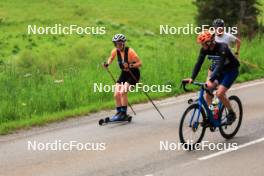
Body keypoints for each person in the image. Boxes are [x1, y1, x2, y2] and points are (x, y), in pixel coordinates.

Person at [184, 30, 240, 125]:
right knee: (207, 94)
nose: (202, 46)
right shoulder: (205, 49)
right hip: (219, 71)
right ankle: (214, 115)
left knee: (219, 93)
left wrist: (210, 79)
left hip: (230, 71)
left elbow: (220, 65)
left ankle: (231, 113)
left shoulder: (222, 47)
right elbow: (199, 63)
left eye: (203, 44)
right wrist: (192, 78)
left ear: (209, 42)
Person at [104, 34, 142, 120]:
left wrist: (130, 65)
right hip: (124, 74)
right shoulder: (115, 51)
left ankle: (124, 114)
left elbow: (140, 63)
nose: (118, 46)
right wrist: (108, 63)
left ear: (123, 43)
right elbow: (111, 58)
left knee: (123, 91)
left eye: (120, 44)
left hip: (133, 74)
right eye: (116, 44)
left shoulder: (130, 51)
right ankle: (119, 113)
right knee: (116, 94)